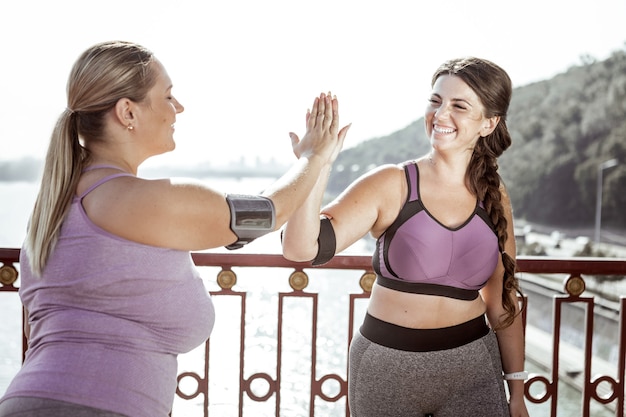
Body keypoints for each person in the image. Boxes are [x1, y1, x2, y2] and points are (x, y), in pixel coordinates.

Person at [0, 40, 349, 417]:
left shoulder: (55, 203)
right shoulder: (136, 200)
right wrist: (314, 157)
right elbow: (267, 213)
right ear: (127, 111)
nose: (178, 107)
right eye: (167, 95)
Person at [282, 57, 530, 417]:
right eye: (435, 101)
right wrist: (316, 164)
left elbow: (503, 301)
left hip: (473, 368)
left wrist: (517, 391)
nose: (441, 114)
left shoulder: (494, 196)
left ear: (488, 123)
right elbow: (301, 248)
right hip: (387, 369)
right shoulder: (390, 183)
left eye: (459, 106)